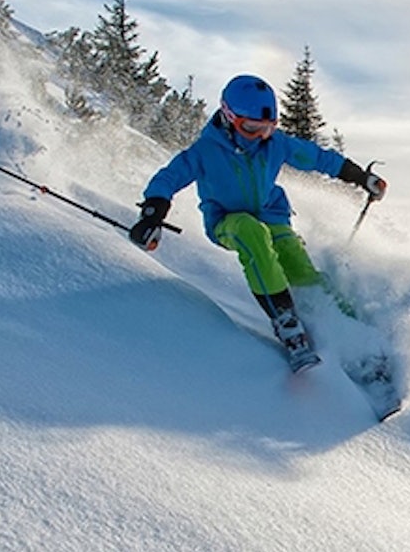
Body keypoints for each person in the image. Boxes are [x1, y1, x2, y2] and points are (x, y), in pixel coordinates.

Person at [127, 74, 388, 371]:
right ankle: (287, 325)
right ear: (229, 117)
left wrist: (360, 177)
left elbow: (318, 157)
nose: (261, 137)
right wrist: (152, 214)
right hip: (227, 221)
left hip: (271, 214)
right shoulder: (205, 151)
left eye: (268, 128)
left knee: (295, 262)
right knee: (252, 234)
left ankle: (353, 331)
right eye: (251, 128)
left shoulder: (273, 144)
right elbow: (168, 178)